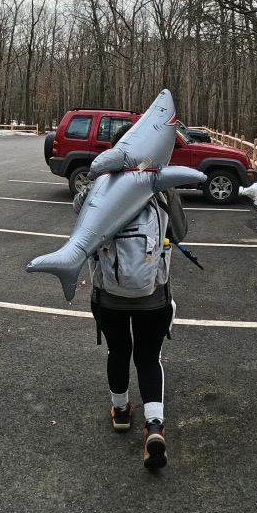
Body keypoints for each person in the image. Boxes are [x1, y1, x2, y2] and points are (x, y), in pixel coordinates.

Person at [78, 125, 189, 471]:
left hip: (107, 297)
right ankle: (154, 425)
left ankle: (122, 411)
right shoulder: (160, 188)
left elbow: (81, 229)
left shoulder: (99, 187)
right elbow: (180, 233)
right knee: (148, 357)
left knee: (118, 352)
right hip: (153, 296)